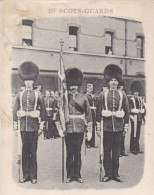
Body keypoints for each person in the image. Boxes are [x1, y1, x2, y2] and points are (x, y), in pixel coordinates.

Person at [55, 68, 92, 183]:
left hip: (80, 129)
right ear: (69, 84)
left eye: (76, 85)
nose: (74, 87)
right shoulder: (64, 98)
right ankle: (70, 175)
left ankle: (77, 174)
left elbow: (89, 116)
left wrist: (89, 131)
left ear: (78, 85)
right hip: (68, 129)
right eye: (72, 85)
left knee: (78, 153)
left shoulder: (83, 98)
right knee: (69, 153)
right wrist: (60, 129)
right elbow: (58, 116)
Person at [13, 61, 47, 184]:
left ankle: (33, 176)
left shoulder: (38, 95)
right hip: (23, 127)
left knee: (33, 152)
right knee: (24, 151)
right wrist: (16, 127)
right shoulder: (19, 95)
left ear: (33, 81)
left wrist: (41, 127)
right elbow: (14, 111)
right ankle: (25, 175)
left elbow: (43, 112)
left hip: (33, 127)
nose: (28, 82)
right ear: (24, 81)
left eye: (30, 80)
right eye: (26, 80)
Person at [96, 64, 129, 182]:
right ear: (108, 82)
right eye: (111, 80)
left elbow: (126, 111)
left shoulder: (122, 94)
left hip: (119, 128)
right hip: (106, 128)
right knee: (106, 152)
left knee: (116, 152)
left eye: (115, 80)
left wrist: (125, 126)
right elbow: (98, 112)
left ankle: (115, 173)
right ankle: (107, 174)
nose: (114, 82)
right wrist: (99, 128)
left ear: (118, 82)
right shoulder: (102, 95)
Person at [129, 80, 145, 155]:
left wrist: (142, 110)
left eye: (137, 91)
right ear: (133, 92)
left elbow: (142, 107)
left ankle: (137, 148)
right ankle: (132, 148)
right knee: (133, 132)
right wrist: (134, 110)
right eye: (135, 91)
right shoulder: (131, 99)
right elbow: (130, 109)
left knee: (138, 132)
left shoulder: (140, 99)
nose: (136, 93)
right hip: (134, 117)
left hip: (139, 117)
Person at [85, 83, 97, 148]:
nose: (91, 90)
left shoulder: (93, 96)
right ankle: (87, 143)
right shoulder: (86, 96)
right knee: (88, 128)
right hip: (89, 112)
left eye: (92, 88)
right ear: (87, 89)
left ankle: (93, 143)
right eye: (90, 88)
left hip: (93, 113)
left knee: (93, 128)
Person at [118, 80, 128, 157]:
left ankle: (122, 150)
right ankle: (118, 151)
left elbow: (126, 108)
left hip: (122, 117)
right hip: (117, 118)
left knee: (123, 135)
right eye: (120, 88)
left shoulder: (123, 95)